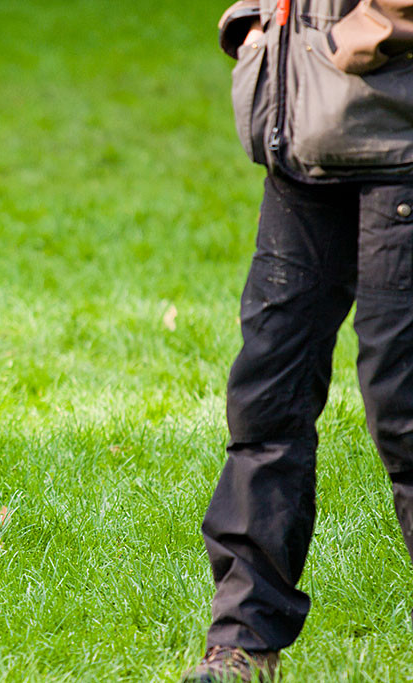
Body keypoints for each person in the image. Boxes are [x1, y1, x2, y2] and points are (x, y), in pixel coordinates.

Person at [183, 0, 413, 680]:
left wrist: (364, 33)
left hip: (397, 144)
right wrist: (256, 25)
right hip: (304, 149)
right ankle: (243, 640)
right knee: (266, 398)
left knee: (404, 406)